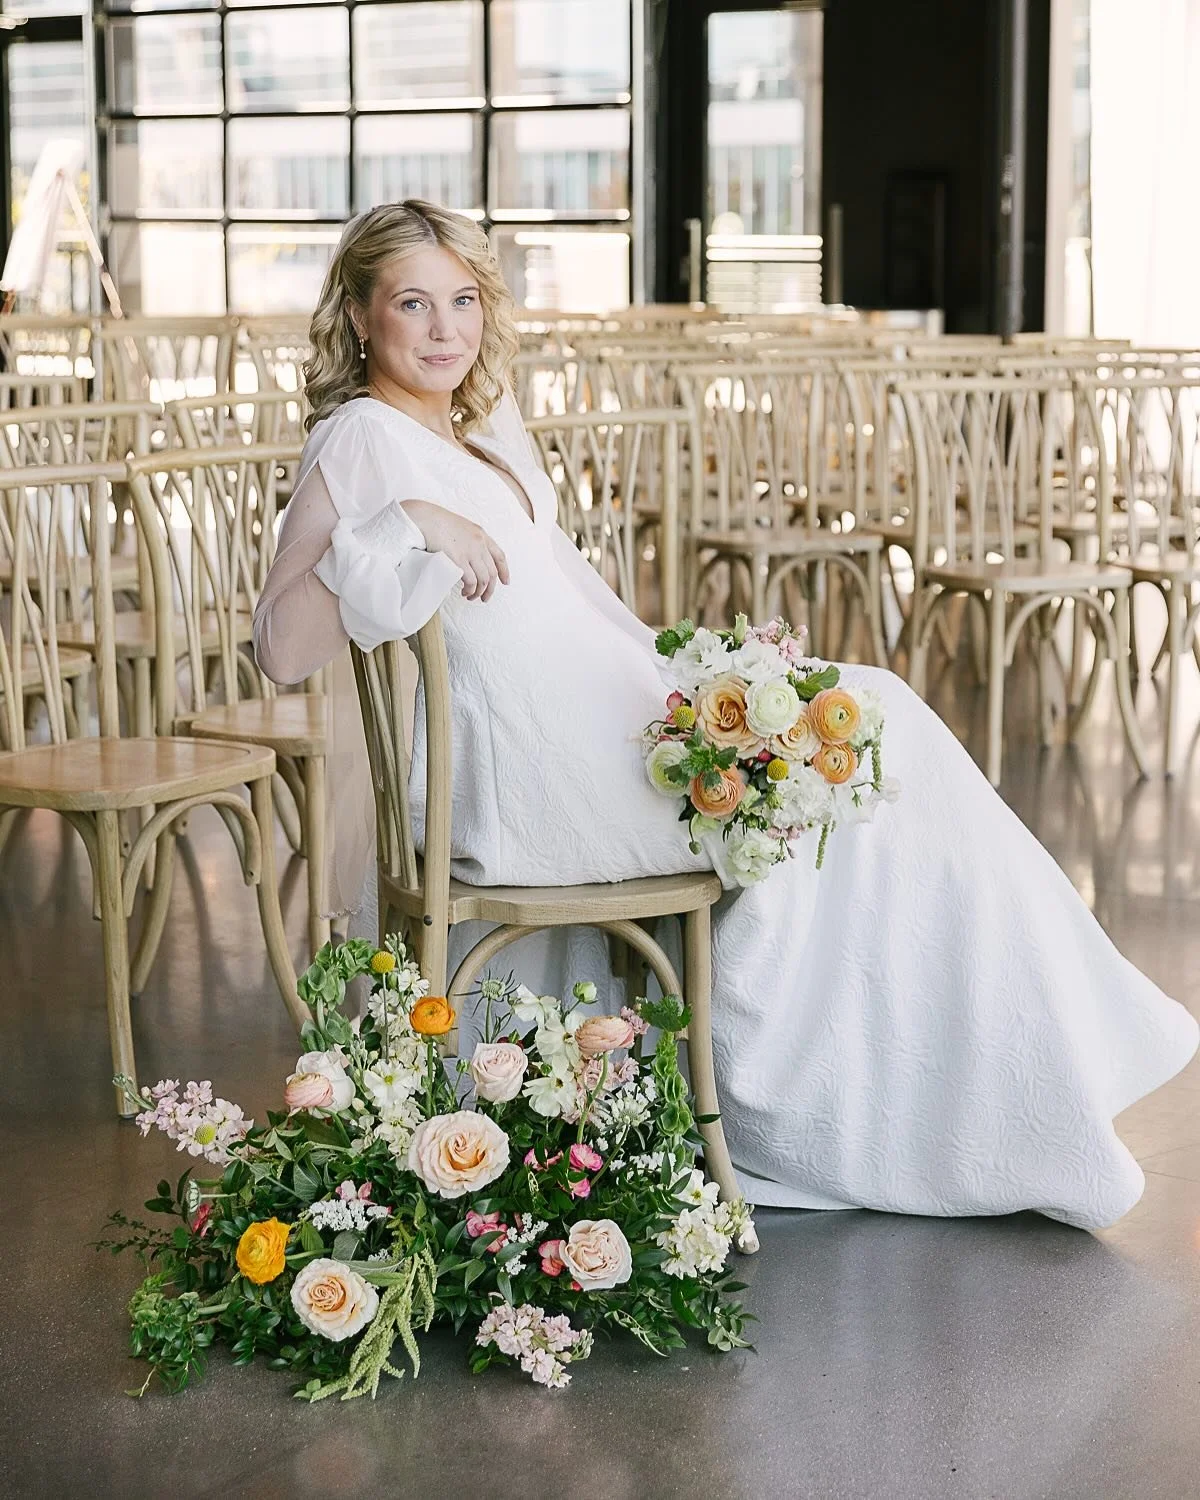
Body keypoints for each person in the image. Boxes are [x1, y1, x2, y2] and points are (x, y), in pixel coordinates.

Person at [253, 200, 1198, 1231]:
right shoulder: (359, 440)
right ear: (358, 317)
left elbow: (576, 612)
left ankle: (1029, 1072)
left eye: (464, 300)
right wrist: (405, 521)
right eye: (412, 304)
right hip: (530, 783)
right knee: (872, 741)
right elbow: (282, 647)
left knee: (878, 724)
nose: (444, 329)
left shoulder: (481, 435)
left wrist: (691, 689)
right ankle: (940, 1095)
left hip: (596, 729)